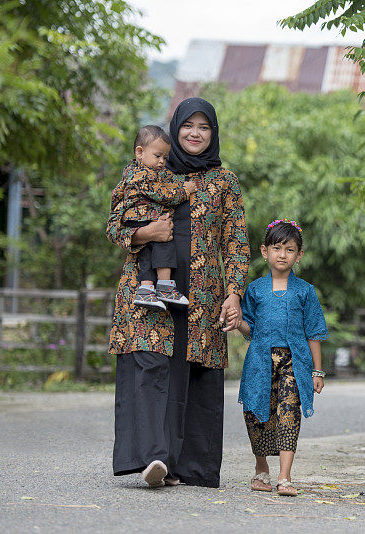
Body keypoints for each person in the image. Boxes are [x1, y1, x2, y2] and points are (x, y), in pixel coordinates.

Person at [106, 97, 250, 488]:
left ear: (213, 133)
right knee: (151, 363)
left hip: (202, 292)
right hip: (149, 284)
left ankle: (184, 465)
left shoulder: (225, 182)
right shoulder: (151, 167)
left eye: (204, 127)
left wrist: (235, 293)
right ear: (176, 128)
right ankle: (154, 457)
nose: (195, 133)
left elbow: (236, 241)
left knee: (193, 371)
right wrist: (145, 233)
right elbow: (116, 223)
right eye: (189, 125)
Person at [234, 219, 328, 496]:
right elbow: (249, 327)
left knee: (289, 414)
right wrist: (238, 321)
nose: (282, 254)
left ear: (299, 255)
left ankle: (284, 477)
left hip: (294, 364)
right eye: (277, 248)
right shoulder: (254, 290)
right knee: (255, 413)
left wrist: (317, 372)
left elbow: (314, 332)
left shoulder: (305, 291)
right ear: (265, 251)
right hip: (259, 361)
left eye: (289, 249)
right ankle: (260, 469)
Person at [116, 125, 195, 310]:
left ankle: (146, 289)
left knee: (146, 253)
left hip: (136, 219)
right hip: (145, 218)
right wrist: (185, 190)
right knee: (164, 242)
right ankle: (165, 286)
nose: (162, 162)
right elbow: (165, 196)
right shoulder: (146, 176)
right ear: (140, 152)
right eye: (158, 156)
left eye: (165, 158)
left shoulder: (132, 173)